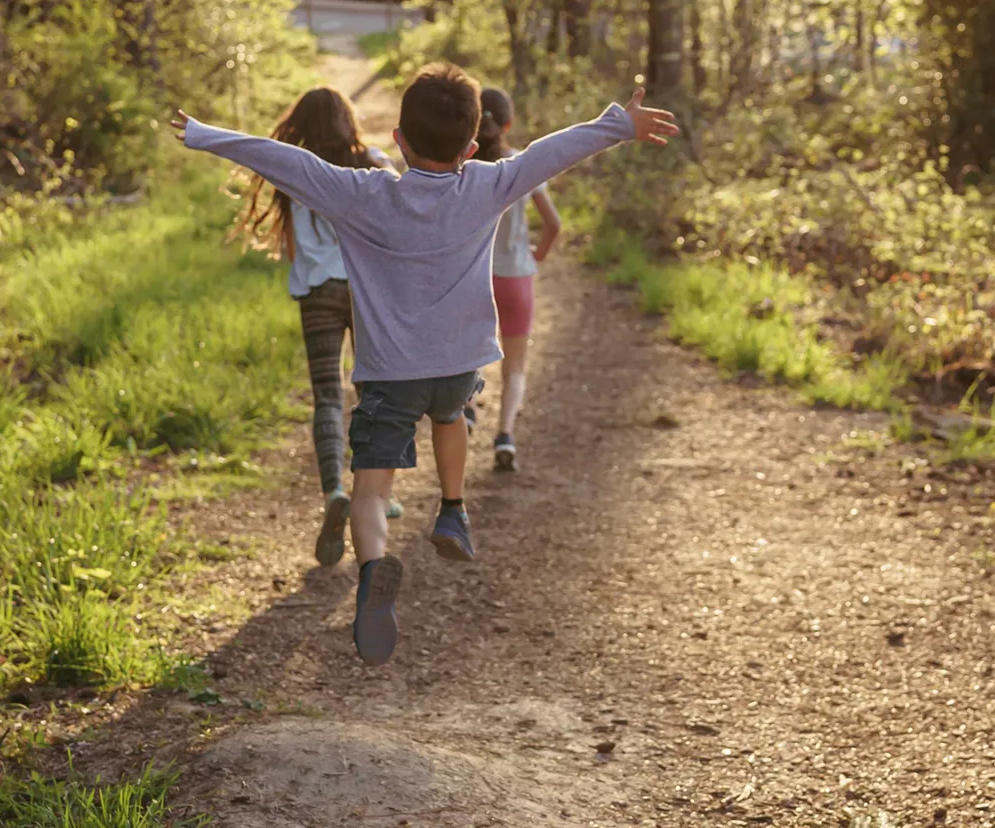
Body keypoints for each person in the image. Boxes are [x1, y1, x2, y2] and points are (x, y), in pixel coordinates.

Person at [171, 66, 677, 666]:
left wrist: (205, 133)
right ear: (470, 146)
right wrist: (618, 124)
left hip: (389, 373)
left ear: (399, 140)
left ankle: (374, 569)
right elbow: (551, 153)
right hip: (457, 365)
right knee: (453, 414)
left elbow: (284, 162)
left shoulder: (363, 193)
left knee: (371, 488)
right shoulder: (488, 184)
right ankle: (454, 509)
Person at [230, 87, 392, 569]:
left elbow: (291, 241)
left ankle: (335, 491)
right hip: (365, 293)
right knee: (374, 391)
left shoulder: (294, 168)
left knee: (327, 395)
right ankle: (374, 493)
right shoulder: (372, 161)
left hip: (318, 293)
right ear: (348, 120)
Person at [476, 88, 560, 473]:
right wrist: (535, 256)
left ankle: (464, 409)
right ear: (507, 124)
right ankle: (505, 434)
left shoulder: (465, 167)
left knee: (468, 352)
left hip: (474, 276)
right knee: (516, 364)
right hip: (515, 276)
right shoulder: (520, 165)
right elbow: (553, 224)